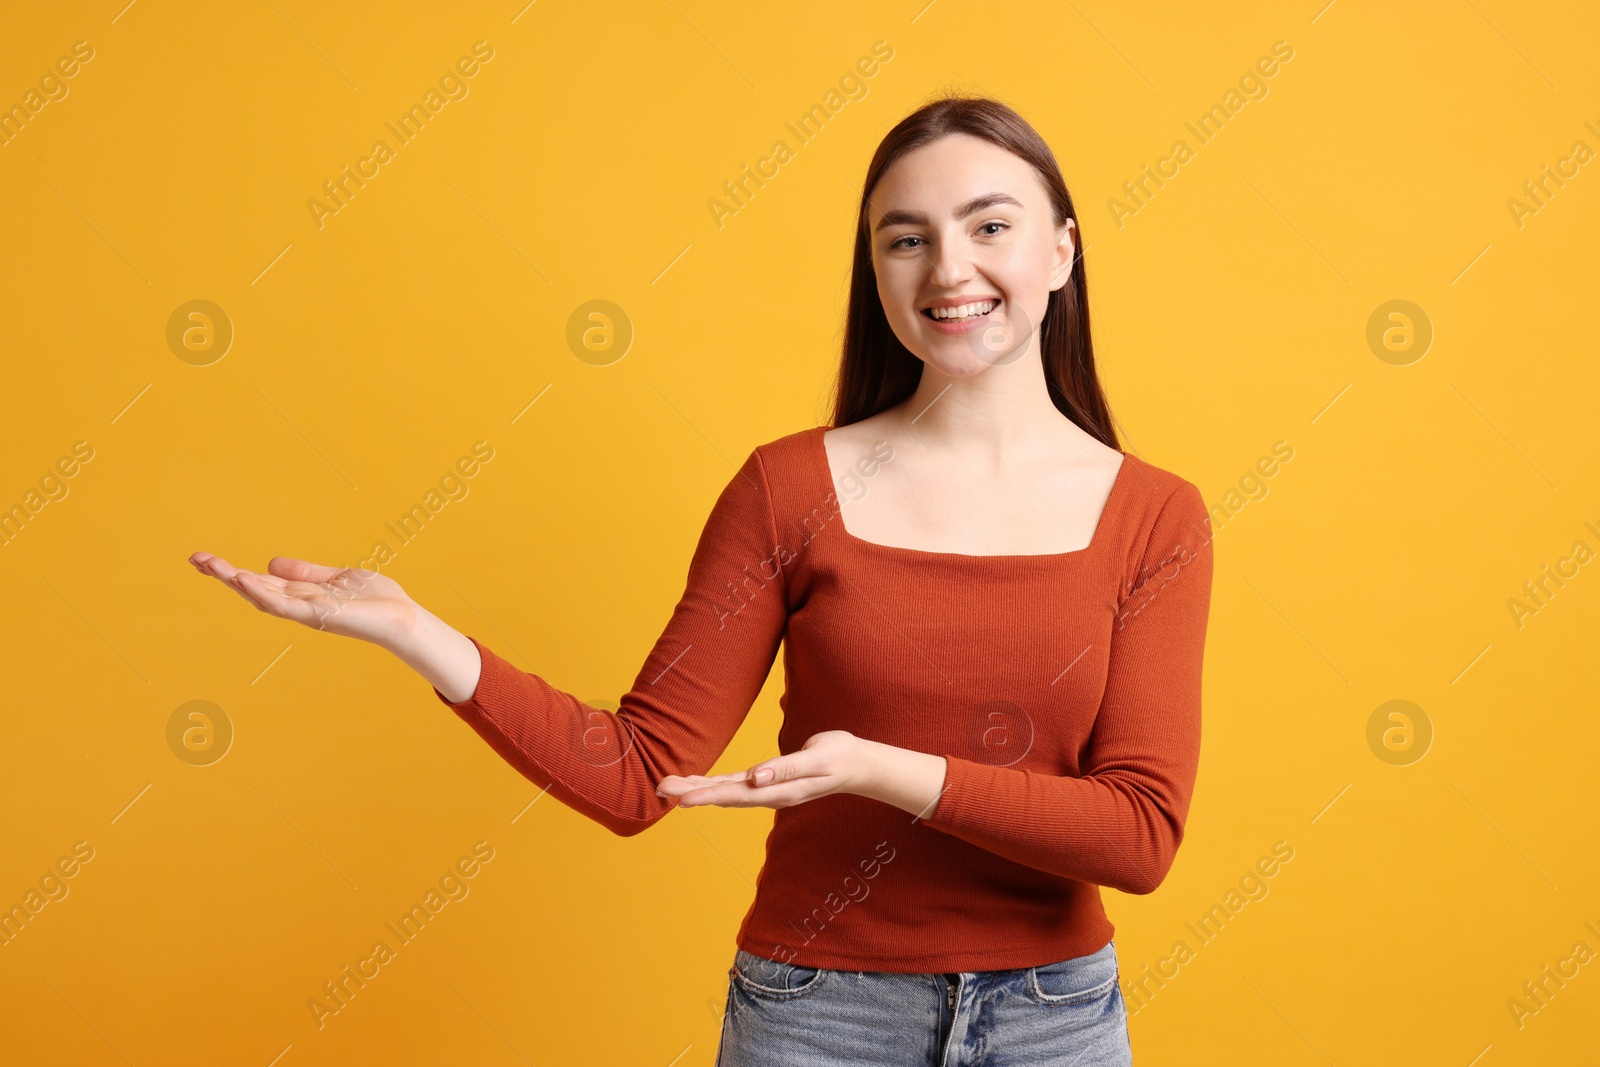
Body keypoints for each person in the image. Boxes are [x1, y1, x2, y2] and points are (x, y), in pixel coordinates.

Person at [190, 94, 1213, 1066]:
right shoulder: (786, 488)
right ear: (876, 269)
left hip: (1053, 1018)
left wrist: (876, 767)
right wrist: (421, 633)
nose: (949, 267)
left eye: (989, 226)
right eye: (906, 238)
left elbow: (1138, 834)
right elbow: (638, 773)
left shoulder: (1156, 517)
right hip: (818, 1014)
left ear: (1061, 251)